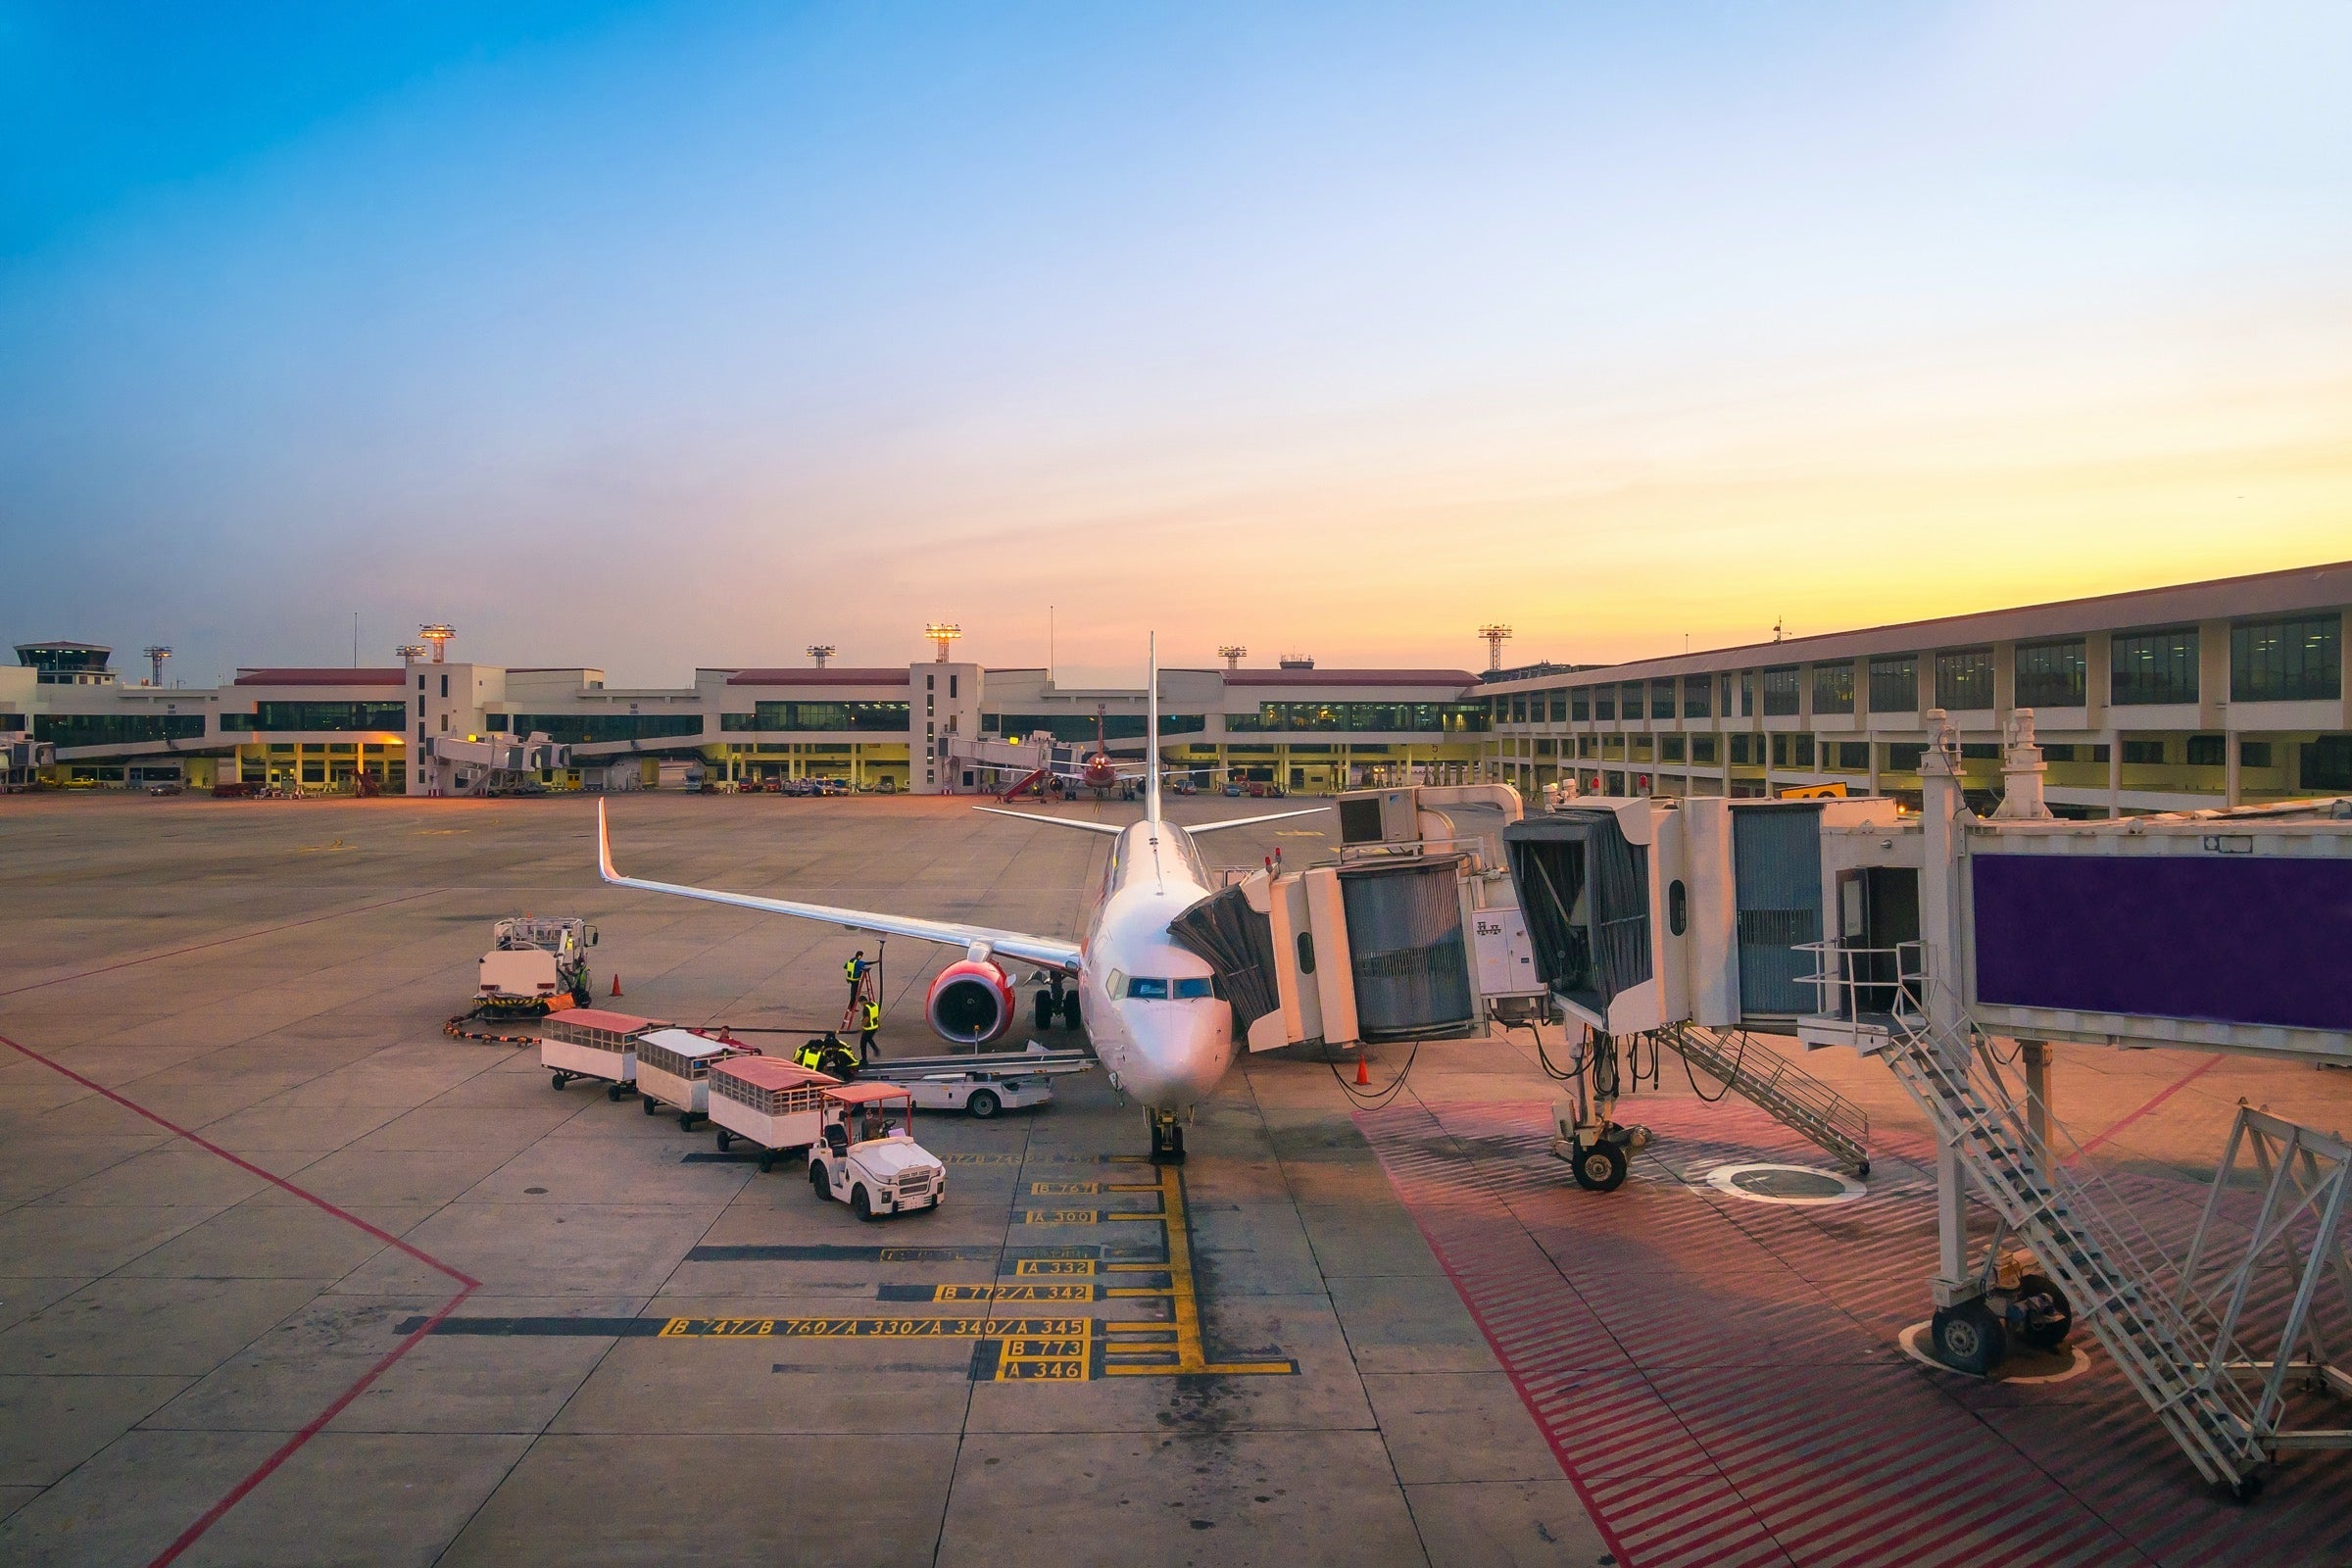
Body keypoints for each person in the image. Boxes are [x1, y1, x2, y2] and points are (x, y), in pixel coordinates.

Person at [858, 998, 881, 1063]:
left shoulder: (866, 1008)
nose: (861, 1005)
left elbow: (866, 1018)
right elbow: (877, 1015)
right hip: (875, 1027)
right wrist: (879, 1024)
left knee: (863, 1043)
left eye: (860, 1003)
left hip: (869, 1028)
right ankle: (876, 1049)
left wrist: (862, 1026)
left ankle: (864, 1059)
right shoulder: (875, 1005)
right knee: (869, 1039)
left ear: (863, 1001)